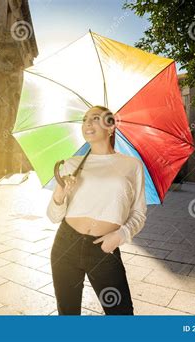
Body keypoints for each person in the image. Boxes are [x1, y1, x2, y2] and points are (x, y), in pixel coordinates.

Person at [46, 105, 147, 315]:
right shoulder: (72, 164)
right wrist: (59, 195)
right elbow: (53, 216)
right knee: (68, 315)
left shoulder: (132, 166)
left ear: (111, 127)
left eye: (94, 118)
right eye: (84, 119)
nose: (87, 124)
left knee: (121, 314)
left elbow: (138, 213)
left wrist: (120, 235)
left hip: (104, 248)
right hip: (66, 243)